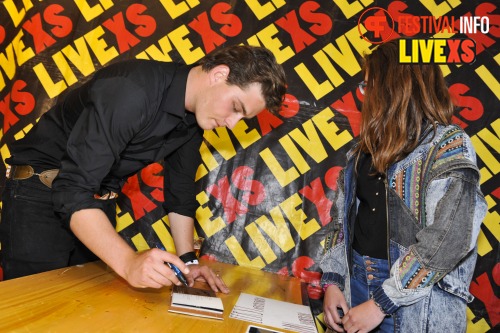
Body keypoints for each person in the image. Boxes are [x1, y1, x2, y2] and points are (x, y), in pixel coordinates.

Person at [0, 45, 287, 292]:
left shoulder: (192, 120)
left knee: (85, 308)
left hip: (93, 204)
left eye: (243, 117)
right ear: (219, 74)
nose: (232, 123)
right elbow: (73, 188)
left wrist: (188, 263)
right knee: (37, 310)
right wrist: (127, 262)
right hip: (41, 195)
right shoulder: (132, 90)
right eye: (236, 107)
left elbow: (180, 192)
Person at [320, 39, 487, 332]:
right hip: (355, 287)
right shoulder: (362, 150)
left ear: (396, 87)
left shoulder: (447, 145)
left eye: (369, 85)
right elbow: (340, 225)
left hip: (414, 304)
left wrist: (382, 301)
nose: (364, 94)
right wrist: (333, 283)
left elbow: (450, 238)